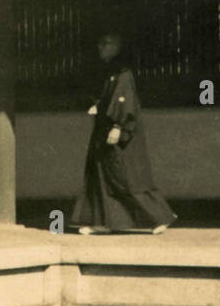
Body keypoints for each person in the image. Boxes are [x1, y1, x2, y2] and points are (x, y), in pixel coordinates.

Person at [71, 33, 176, 235]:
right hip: (103, 130)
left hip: (117, 132)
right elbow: (105, 98)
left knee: (126, 176)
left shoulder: (124, 73)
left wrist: (119, 126)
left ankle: (161, 216)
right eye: (100, 43)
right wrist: (97, 106)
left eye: (106, 43)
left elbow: (124, 102)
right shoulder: (109, 71)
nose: (101, 47)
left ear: (118, 47)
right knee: (100, 176)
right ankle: (102, 222)